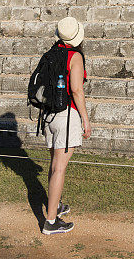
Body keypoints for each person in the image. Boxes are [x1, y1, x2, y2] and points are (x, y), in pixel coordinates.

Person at [42, 16, 91, 235]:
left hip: (49, 115)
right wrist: (85, 119)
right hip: (67, 116)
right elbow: (77, 90)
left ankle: (56, 206)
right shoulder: (75, 56)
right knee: (60, 168)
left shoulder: (51, 54)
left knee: (54, 165)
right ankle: (51, 222)